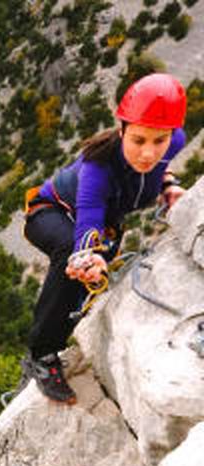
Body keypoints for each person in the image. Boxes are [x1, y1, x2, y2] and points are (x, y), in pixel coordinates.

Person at [21, 72, 188, 403]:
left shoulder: (175, 141)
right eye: (138, 140)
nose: (148, 153)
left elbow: (162, 164)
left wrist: (168, 185)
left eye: (159, 141)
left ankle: (66, 330)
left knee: (84, 291)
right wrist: (86, 254)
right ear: (123, 129)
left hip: (104, 225)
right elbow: (88, 216)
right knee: (72, 255)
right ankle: (40, 356)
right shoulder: (98, 168)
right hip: (49, 213)